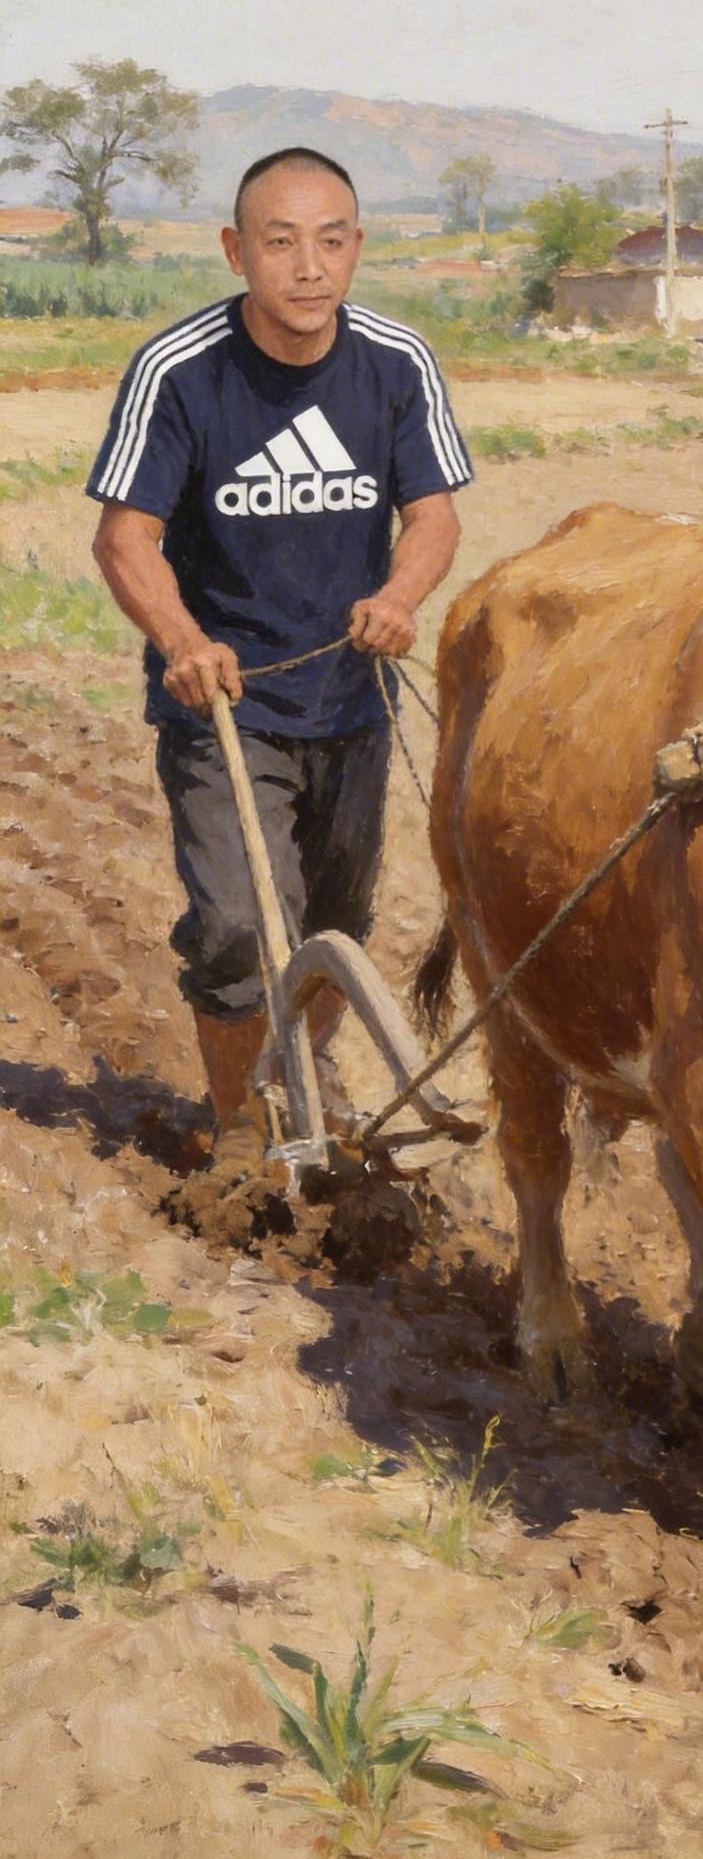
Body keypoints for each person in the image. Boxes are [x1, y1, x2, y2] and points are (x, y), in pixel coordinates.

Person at [87, 146, 472, 1166]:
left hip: (351, 698)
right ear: (235, 250)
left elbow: (431, 516)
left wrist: (398, 595)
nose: (309, 265)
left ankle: (303, 1080)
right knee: (234, 930)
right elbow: (123, 537)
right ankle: (239, 1124)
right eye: (281, 240)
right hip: (221, 701)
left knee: (333, 927)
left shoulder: (395, 361)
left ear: (355, 249)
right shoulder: (182, 370)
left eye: (332, 240)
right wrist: (181, 640)